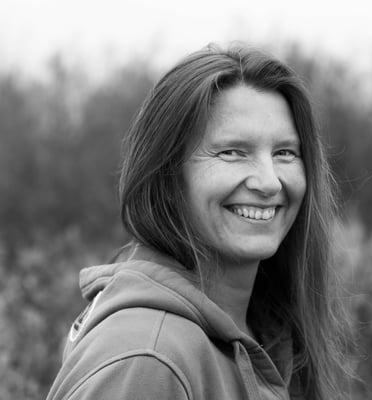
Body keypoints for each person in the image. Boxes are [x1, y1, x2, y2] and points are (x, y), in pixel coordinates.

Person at [46, 43, 350, 400]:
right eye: (232, 152)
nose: (269, 182)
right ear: (167, 174)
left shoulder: (266, 335)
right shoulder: (149, 361)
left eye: (284, 152)